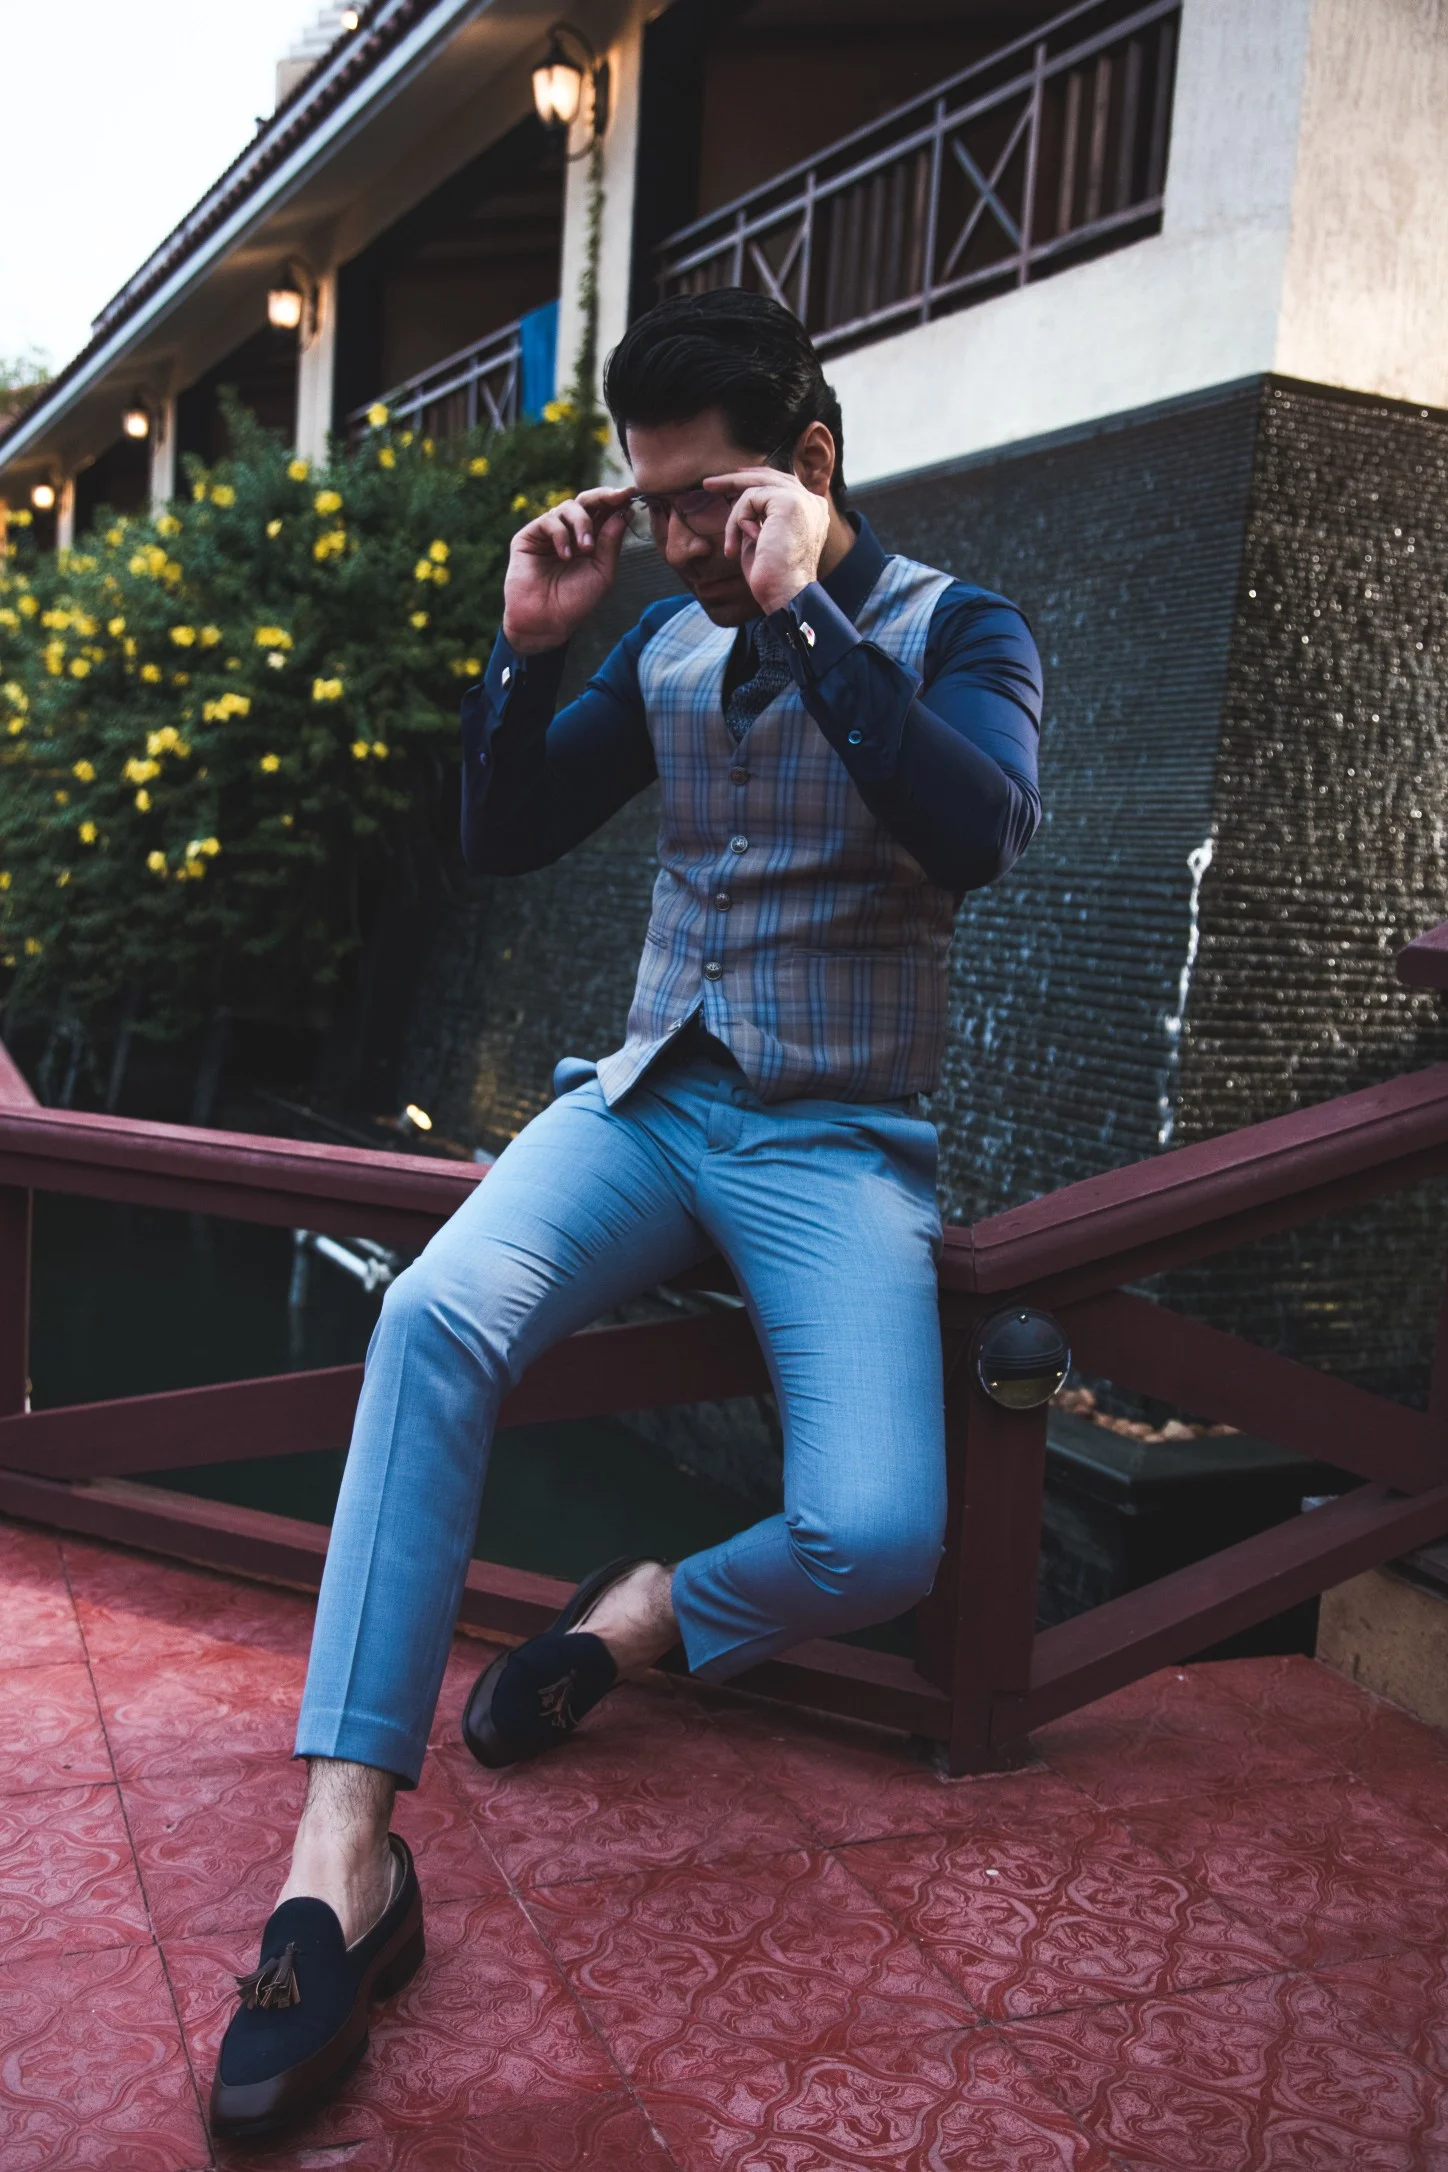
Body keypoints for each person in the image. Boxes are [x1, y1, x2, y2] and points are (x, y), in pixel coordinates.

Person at [209, 288, 1043, 2140]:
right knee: (429, 1316)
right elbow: (505, 836)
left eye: (708, 501)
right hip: (646, 1104)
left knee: (878, 1535)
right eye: (652, 503)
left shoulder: (961, 628)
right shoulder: (668, 641)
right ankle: (342, 1861)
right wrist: (526, 653)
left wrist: (806, 605)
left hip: (834, 1143)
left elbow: (977, 830)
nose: (676, 542)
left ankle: (648, 1615)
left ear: (807, 464)